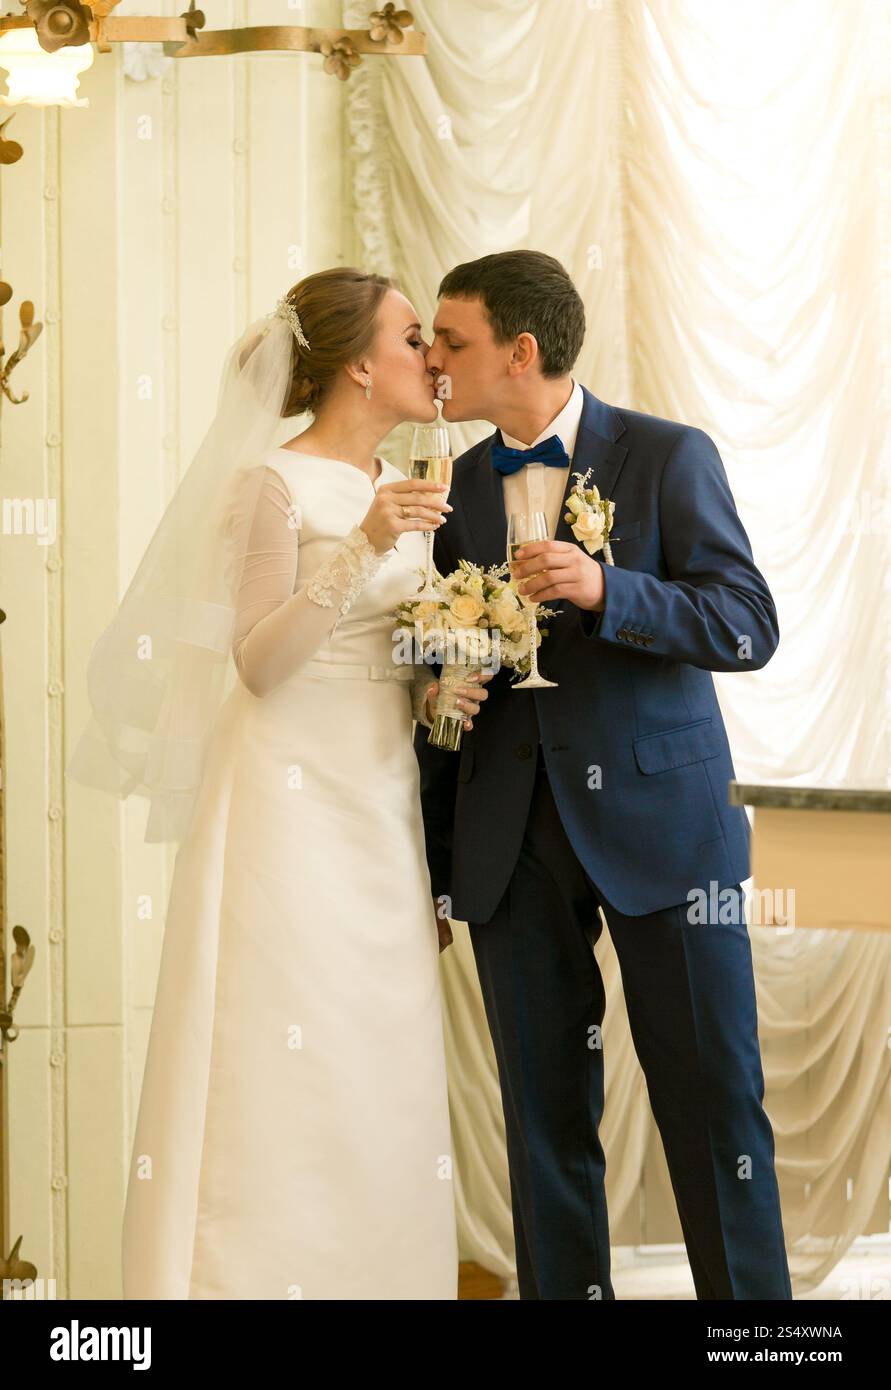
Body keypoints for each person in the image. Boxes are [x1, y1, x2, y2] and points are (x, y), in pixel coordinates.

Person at [66, 267, 489, 1300]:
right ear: (354, 362)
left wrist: (446, 682)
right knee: (285, 1048)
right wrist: (365, 545)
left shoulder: (407, 482)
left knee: (372, 1055)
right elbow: (259, 660)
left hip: (381, 801)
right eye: (408, 338)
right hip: (287, 801)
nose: (429, 359)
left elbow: (395, 653)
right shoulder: (275, 482)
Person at [414, 249, 792, 1301]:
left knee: (715, 1105)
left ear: (519, 351)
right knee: (540, 1124)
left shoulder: (670, 457)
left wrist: (606, 587)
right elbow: (440, 680)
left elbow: (747, 623)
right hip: (508, 840)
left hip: (666, 832)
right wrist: (437, 862)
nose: (432, 361)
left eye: (453, 341)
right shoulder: (447, 490)